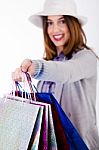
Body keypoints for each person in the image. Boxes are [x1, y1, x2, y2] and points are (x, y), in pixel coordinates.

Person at [12, 0, 99, 149]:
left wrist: (36, 68)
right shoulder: (46, 73)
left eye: (62, 21)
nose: (55, 29)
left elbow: (68, 72)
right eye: (50, 23)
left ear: (73, 24)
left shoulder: (87, 58)